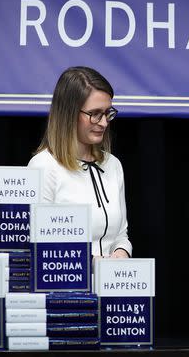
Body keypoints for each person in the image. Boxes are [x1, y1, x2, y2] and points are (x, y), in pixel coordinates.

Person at [28, 66, 132, 258]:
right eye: (95, 113)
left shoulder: (113, 164)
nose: (103, 123)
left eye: (108, 113)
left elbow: (120, 235)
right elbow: (39, 245)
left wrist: (121, 251)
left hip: (111, 286)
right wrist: (92, 262)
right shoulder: (42, 167)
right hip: (66, 286)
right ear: (69, 113)